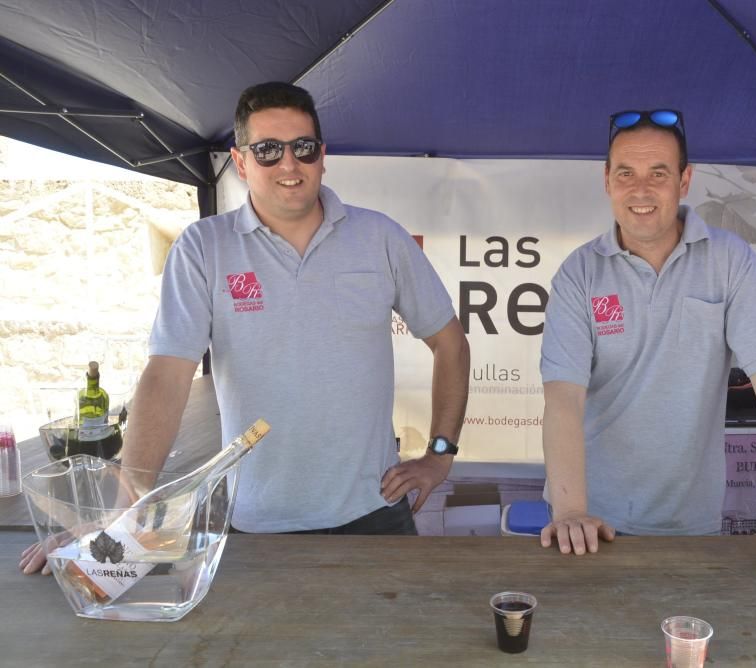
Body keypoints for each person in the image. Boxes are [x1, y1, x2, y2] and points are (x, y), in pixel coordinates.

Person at [22, 81, 469, 573]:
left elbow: (449, 343)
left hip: (375, 514)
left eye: (303, 147)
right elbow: (168, 374)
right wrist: (123, 513)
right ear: (240, 162)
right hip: (255, 522)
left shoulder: (380, 236)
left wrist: (440, 453)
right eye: (268, 150)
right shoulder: (204, 248)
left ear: (322, 155)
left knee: (395, 650)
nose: (289, 164)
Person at [538, 109, 756, 555]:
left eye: (658, 173)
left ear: (684, 180)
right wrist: (570, 513)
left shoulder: (731, 261)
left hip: (692, 526)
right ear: (607, 181)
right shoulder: (579, 274)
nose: (640, 189)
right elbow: (563, 398)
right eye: (626, 173)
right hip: (591, 526)